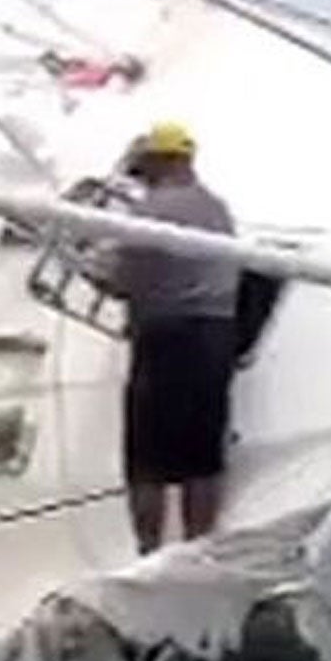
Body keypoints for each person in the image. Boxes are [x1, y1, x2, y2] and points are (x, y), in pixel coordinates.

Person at [110, 121, 240, 553]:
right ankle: (197, 549)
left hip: (166, 336)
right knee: (202, 455)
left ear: (158, 162)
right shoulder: (219, 209)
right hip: (217, 337)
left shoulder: (149, 213)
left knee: (146, 460)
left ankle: (150, 553)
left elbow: (121, 279)